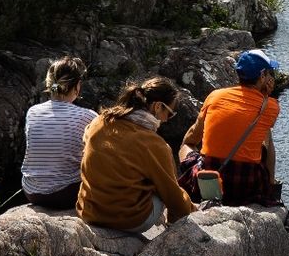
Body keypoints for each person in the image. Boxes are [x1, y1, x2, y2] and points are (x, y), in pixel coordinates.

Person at [75, 77, 197, 233]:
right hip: (129, 220)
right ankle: (172, 223)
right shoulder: (154, 144)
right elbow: (173, 197)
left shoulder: (99, 121)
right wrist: (193, 209)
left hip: (89, 212)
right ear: (158, 106)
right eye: (170, 113)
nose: (167, 120)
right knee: (161, 180)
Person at [180, 49, 283, 207]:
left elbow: (192, 137)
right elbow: (262, 134)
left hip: (210, 176)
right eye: (269, 73)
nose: (271, 77)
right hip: (246, 184)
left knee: (185, 146)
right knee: (266, 136)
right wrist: (266, 98)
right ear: (262, 76)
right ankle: (271, 185)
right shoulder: (271, 106)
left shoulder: (215, 96)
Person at [20, 56, 97, 210]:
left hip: (31, 191)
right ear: (77, 86)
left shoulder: (33, 112)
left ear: (50, 84)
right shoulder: (88, 116)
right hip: (65, 194)